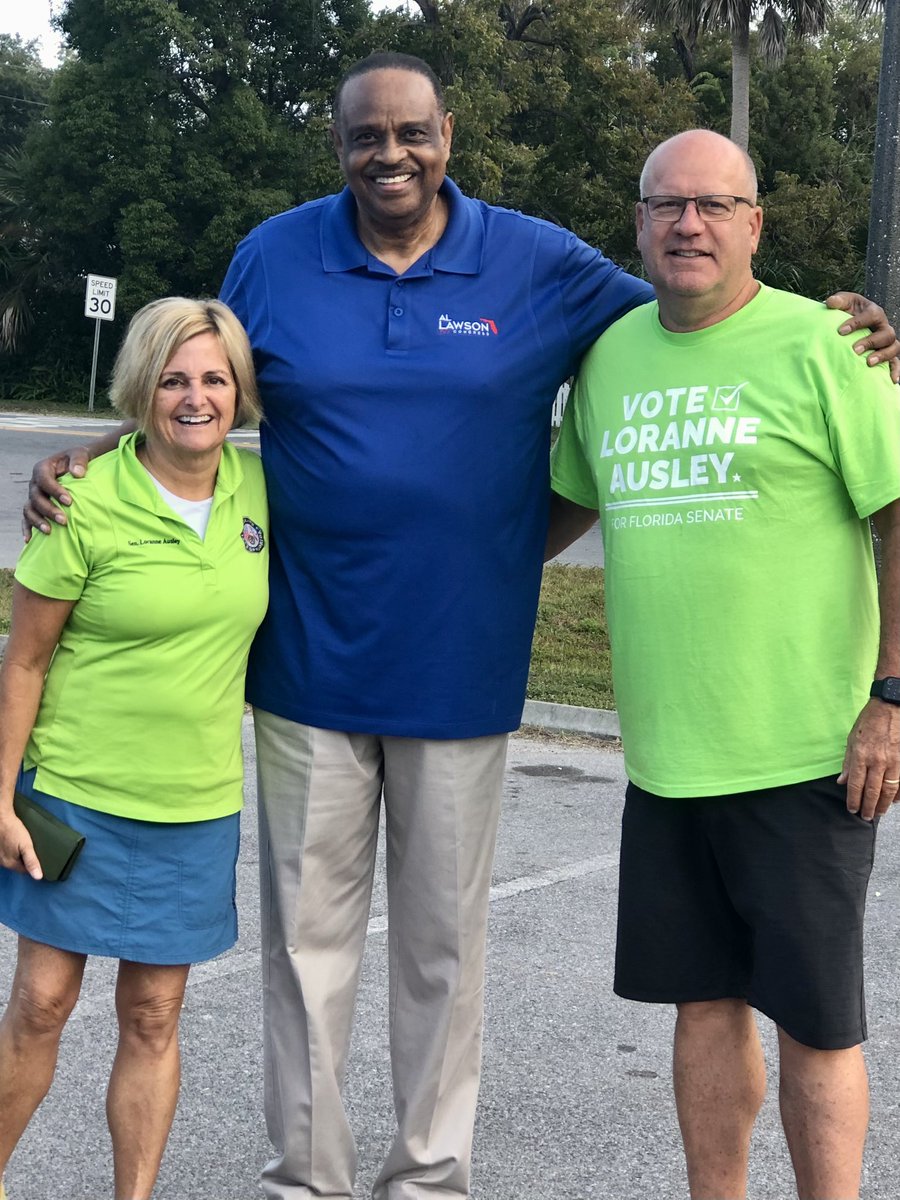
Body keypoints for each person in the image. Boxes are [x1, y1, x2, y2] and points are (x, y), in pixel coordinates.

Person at [22, 56, 900, 1200]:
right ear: (336, 146)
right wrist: (95, 450)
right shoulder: (275, 256)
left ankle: (429, 1181)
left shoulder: (537, 260)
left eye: (411, 132)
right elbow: (189, 381)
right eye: (364, 136)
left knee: (443, 961)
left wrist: (859, 326)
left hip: (465, 677)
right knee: (304, 960)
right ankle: (308, 1182)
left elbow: (707, 310)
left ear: (449, 134)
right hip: (306, 672)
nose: (390, 154)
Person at [548, 128, 900, 1200]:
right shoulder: (610, 357)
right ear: (639, 223)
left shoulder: (828, 344)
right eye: (666, 205)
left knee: (816, 1019)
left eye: (712, 204)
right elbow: (549, 515)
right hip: (665, 759)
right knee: (701, 1006)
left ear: (755, 223)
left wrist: (890, 699)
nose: (686, 223)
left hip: (804, 751)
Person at [0, 298, 268, 1200]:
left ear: (238, 392)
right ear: (140, 391)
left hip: (194, 806)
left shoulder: (261, 492)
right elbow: (25, 659)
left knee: (154, 1014)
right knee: (40, 1006)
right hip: (73, 795)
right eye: (173, 380)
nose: (195, 398)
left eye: (213, 379)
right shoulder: (83, 496)